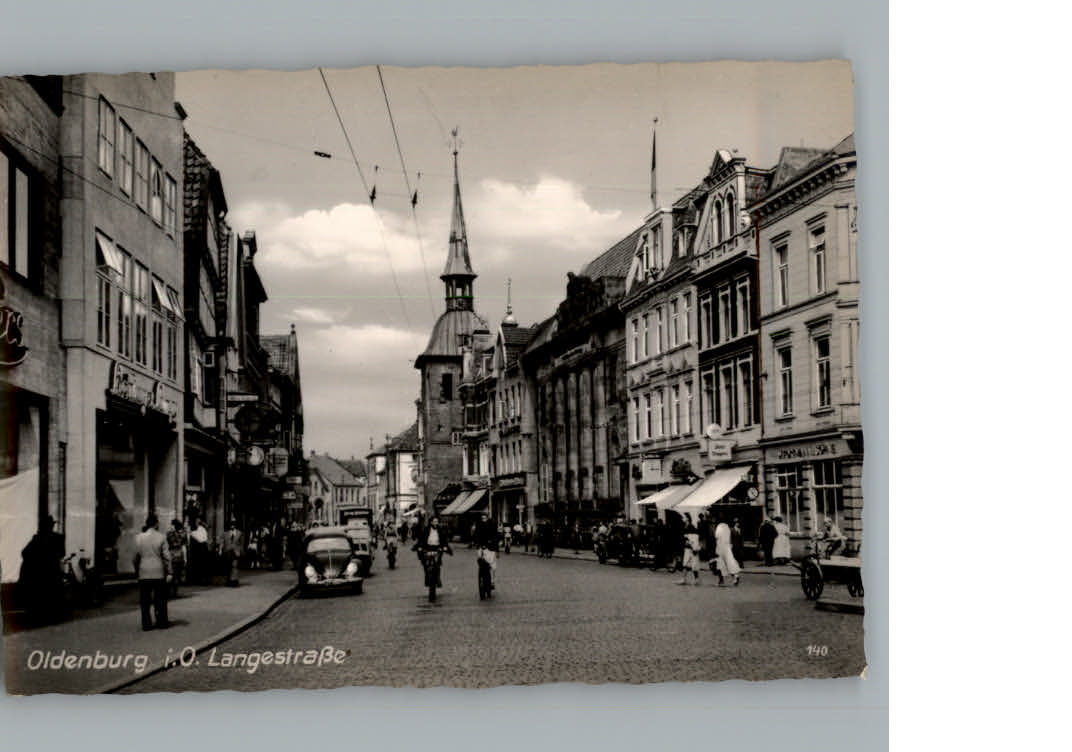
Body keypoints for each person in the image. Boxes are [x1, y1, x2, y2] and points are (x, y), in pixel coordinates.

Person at [133, 513, 171, 630]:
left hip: (144, 571)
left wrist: (137, 570)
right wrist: (170, 572)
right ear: (156, 524)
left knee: (145, 600)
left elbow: (135, 557)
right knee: (160, 598)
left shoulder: (139, 538)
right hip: (158, 571)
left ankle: (146, 623)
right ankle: (161, 622)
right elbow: (167, 557)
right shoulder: (162, 537)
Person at [414, 517, 452, 587]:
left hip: (437, 548)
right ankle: (427, 578)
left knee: (437, 564)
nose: (436, 523)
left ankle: (438, 579)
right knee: (425, 564)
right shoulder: (426, 530)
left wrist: (445, 547)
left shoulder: (440, 530)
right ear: (431, 522)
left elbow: (443, 539)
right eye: (434, 521)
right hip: (428, 548)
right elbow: (422, 539)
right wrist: (420, 547)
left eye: (437, 522)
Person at [473, 513, 499, 589]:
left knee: (493, 566)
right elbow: (476, 536)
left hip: (490, 547)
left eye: (485, 518)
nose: (484, 520)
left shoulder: (492, 526)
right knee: (480, 559)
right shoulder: (479, 526)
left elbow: (495, 537)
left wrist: (496, 549)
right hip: (481, 547)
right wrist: (476, 543)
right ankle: (481, 575)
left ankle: (492, 581)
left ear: (488, 518)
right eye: (482, 518)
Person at [714, 519, 741, 586]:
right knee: (730, 563)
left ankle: (721, 580)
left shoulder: (719, 527)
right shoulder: (728, 528)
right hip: (727, 547)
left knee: (720, 565)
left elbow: (716, 537)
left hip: (721, 548)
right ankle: (735, 576)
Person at [165, 519, 187, 597]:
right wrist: (185, 558)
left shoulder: (169, 534)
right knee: (177, 574)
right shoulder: (183, 534)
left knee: (171, 573)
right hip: (179, 555)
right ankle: (174, 591)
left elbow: (167, 545)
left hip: (171, 555)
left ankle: (169, 591)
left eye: (171, 524)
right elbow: (184, 547)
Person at [678, 513, 701, 585]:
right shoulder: (685, 526)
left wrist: (690, 543)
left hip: (691, 548)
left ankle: (695, 579)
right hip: (687, 548)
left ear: (687, 518)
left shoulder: (690, 527)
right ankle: (684, 579)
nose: (682, 519)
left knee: (693, 564)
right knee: (686, 564)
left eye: (683, 517)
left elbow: (694, 538)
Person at [189, 517, 209, 584]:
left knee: (200, 564)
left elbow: (200, 539)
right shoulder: (198, 529)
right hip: (199, 548)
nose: (196, 523)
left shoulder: (201, 529)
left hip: (201, 548)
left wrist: (191, 533)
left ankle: (201, 580)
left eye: (197, 522)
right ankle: (198, 579)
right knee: (198, 564)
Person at [224, 518, 243, 586]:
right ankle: (229, 580)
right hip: (228, 551)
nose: (232, 526)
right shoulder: (226, 533)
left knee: (234, 565)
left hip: (235, 551)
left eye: (233, 524)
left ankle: (234, 580)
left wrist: (240, 551)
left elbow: (241, 543)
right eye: (231, 524)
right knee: (228, 566)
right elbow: (223, 542)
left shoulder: (239, 533)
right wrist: (221, 549)